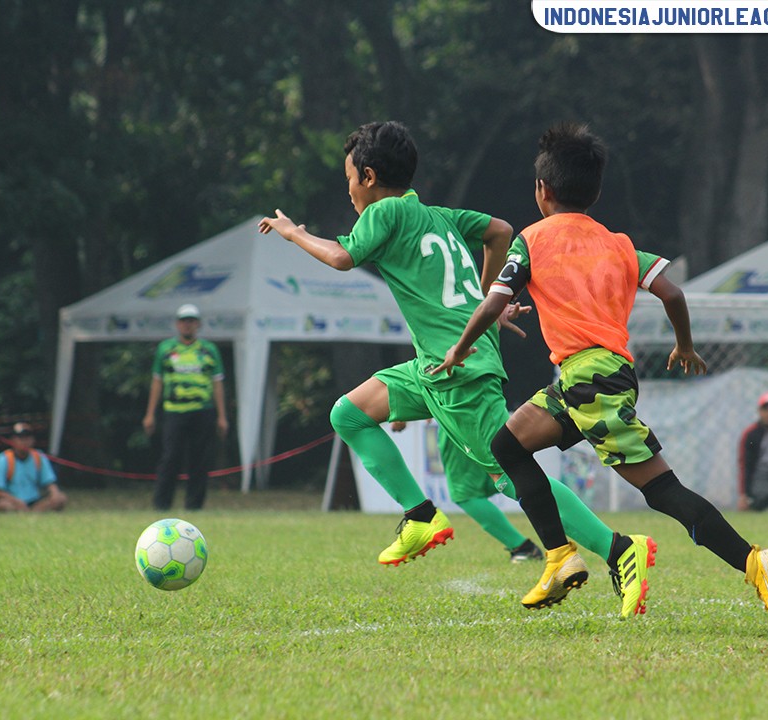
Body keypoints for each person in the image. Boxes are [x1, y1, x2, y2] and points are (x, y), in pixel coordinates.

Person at [259, 120, 655, 619]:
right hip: (436, 365)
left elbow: (341, 257)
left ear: (369, 176)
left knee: (508, 472)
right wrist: (486, 303)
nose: (351, 192)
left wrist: (295, 234)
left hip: (457, 367)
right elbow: (499, 231)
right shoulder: (437, 215)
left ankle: (618, 549)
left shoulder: (383, 211)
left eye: (349, 181)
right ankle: (420, 515)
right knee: (349, 414)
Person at [432, 122, 768, 637]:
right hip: (591, 378)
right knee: (507, 445)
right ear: (595, 192)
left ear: (542, 190)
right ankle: (559, 556)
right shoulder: (618, 243)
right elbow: (672, 293)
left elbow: (494, 300)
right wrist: (684, 345)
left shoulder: (532, 239)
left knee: (663, 491)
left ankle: (755, 563)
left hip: (590, 381)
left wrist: (459, 347)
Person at [391, 420, 542, 563]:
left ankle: (523, 547)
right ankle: (553, 531)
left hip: (457, 418)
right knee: (512, 477)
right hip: (488, 415)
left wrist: (401, 412)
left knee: (465, 493)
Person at [142, 303, 229, 510]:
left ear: (198, 324)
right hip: (174, 411)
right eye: (183, 321)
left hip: (203, 410)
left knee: (199, 459)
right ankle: (162, 504)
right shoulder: (166, 349)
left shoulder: (209, 350)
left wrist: (222, 416)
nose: (187, 325)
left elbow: (217, 383)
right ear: (177, 324)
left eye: (191, 321)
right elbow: (157, 382)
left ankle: (194, 505)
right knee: (170, 457)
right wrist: (150, 414)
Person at [0, 422, 67, 512]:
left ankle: (34, 511)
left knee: (61, 498)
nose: (24, 442)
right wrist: (16, 501)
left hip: (35, 500)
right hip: (12, 500)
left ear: (33, 440)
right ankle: (29, 512)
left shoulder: (39, 456)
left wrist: (55, 493)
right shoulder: (4, 459)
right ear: (12, 440)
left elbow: (49, 482)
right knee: (3, 505)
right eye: (20, 439)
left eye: (27, 438)